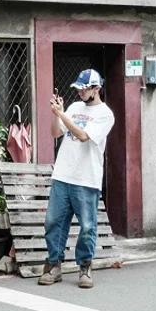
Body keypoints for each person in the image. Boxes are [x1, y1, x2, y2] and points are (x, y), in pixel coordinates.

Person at [40, 69, 114, 290]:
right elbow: (56, 133)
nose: (80, 92)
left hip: (86, 178)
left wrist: (62, 115)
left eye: (84, 88)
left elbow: (83, 136)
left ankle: (85, 266)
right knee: (53, 222)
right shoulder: (73, 108)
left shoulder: (105, 114)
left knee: (87, 226)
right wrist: (57, 114)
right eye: (78, 88)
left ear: (96, 89)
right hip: (63, 174)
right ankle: (53, 265)